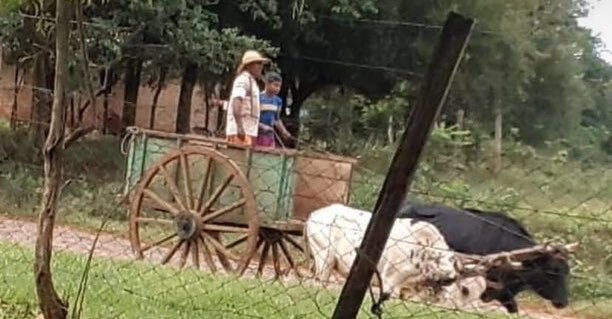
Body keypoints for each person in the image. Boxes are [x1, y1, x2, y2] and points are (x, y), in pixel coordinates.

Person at [225, 50, 269, 147]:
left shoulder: (251, 81)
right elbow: (237, 101)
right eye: (258, 63)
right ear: (249, 65)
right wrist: (239, 127)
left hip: (250, 130)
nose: (261, 66)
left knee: (247, 160)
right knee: (239, 160)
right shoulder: (243, 80)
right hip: (241, 131)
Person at [257, 72, 294, 148]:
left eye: (279, 86)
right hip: (257, 134)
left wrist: (284, 132)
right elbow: (253, 118)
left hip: (269, 135)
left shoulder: (278, 101)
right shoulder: (258, 98)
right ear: (267, 84)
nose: (278, 88)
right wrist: (262, 126)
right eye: (275, 85)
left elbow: (276, 119)